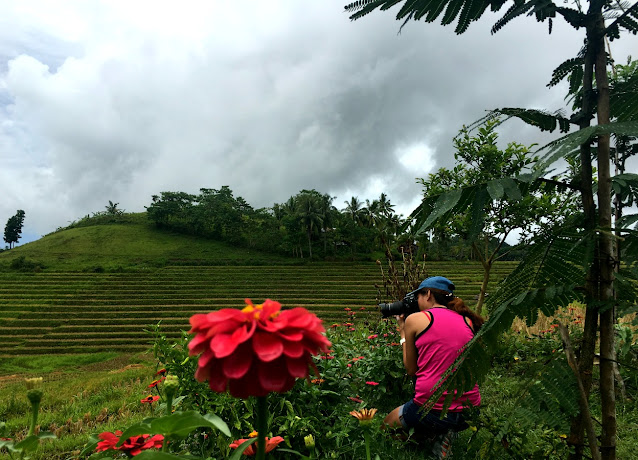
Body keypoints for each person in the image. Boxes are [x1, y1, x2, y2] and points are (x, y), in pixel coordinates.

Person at [384, 276, 484, 440]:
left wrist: (402, 332)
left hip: (433, 410)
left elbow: (411, 369)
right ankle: (444, 436)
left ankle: (435, 437)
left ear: (428, 294)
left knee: (386, 427)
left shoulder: (415, 320)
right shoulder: (467, 320)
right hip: (470, 411)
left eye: (419, 296)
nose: (417, 300)